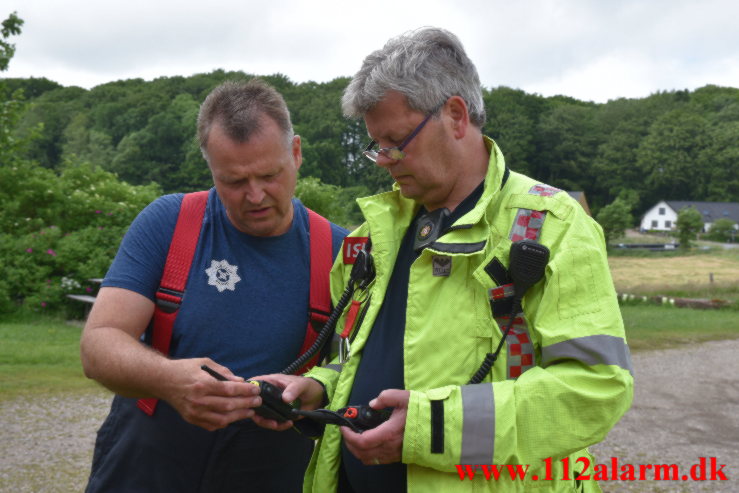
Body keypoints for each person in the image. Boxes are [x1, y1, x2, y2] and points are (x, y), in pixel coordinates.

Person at [253, 28, 634, 492]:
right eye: (376, 145)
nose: (384, 160)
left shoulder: (549, 226)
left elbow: (594, 390)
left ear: (455, 115)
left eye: (395, 141)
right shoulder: (371, 238)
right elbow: (356, 360)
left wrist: (430, 429)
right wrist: (317, 390)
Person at [80, 79, 348, 492]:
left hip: (271, 469)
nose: (255, 195)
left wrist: (313, 388)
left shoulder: (339, 251)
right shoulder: (169, 222)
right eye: (234, 181)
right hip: (150, 462)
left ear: (295, 153)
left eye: (269, 175)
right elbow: (98, 345)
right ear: (211, 169)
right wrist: (169, 380)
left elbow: (359, 368)